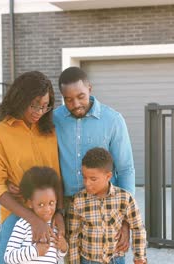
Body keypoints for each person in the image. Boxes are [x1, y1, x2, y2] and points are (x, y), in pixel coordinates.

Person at [0, 71, 64, 264]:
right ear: (20, 99)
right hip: (15, 216)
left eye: (45, 106)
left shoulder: (49, 131)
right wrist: (33, 220)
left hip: (49, 216)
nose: (39, 112)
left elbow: (56, 175)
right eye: (34, 105)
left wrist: (59, 211)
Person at [53, 66, 135, 258]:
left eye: (80, 96)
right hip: (67, 208)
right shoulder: (54, 119)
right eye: (68, 99)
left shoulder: (113, 120)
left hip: (106, 208)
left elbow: (125, 169)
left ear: (90, 88)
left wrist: (126, 219)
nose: (75, 104)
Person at [69, 148, 146, 264]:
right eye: (84, 177)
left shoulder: (125, 198)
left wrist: (139, 257)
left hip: (116, 260)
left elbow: (138, 228)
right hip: (88, 261)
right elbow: (73, 236)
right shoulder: (78, 201)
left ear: (108, 176)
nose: (87, 183)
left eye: (93, 179)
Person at [4, 166, 68, 264]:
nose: (47, 209)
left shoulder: (55, 226)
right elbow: (9, 257)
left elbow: (55, 256)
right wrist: (35, 251)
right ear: (30, 203)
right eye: (41, 205)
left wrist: (63, 248)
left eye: (51, 203)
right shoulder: (23, 225)